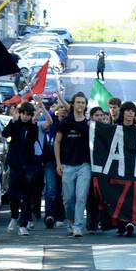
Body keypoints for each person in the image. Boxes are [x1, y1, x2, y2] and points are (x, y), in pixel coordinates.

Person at [55, 92, 92, 238]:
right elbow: (57, 142)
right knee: (68, 199)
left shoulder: (88, 124)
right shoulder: (66, 122)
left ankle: (77, 226)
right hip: (67, 165)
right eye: (78, 102)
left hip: (84, 165)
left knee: (81, 196)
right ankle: (70, 221)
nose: (81, 105)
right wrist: (58, 163)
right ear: (73, 104)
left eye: (83, 103)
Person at [2, 101, 40, 235]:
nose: (26, 117)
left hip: (29, 165)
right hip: (15, 165)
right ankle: (13, 216)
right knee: (13, 195)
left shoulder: (33, 127)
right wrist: (12, 121)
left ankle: (23, 224)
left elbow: (33, 139)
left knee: (27, 195)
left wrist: (34, 122)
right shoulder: (15, 125)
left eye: (28, 115)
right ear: (20, 113)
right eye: (23, 114)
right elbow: (4, 134)